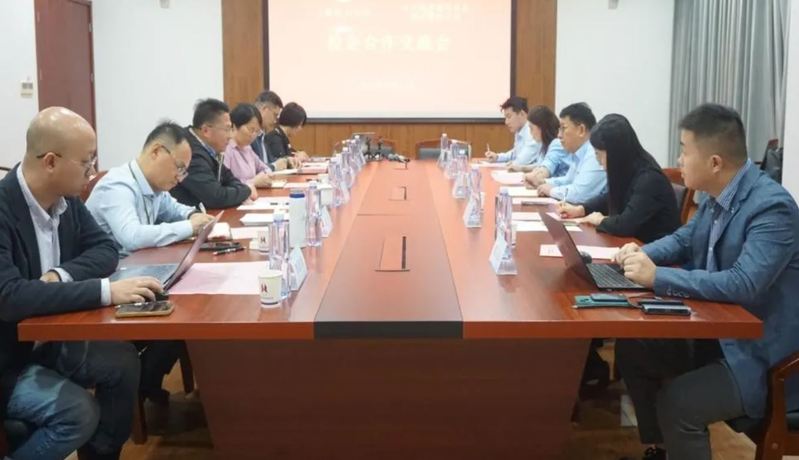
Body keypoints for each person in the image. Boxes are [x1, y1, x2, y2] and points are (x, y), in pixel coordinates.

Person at [614, 103, 799, 460]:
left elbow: (744, 283)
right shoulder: (718, 197)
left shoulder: (771, 208)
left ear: (714, 162)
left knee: (679, 404)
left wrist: (658, 277)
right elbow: (684, 239)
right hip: (716, 334)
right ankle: (661, 450)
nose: (678, 160)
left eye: (684, 151)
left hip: (763, 357)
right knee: (634, 348)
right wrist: (638, 253)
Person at [0, 107, 163, 460]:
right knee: (78, 412)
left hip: (50, 337)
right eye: (86, 162)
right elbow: (9, 297)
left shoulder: (66, 201)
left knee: (123, 361)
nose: (92, 172)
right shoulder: (4, 208)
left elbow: (106, 249)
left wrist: (60, 275)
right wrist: (105, 292)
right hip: (8, 355)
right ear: (50, 162)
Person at [86, 121, 215, 256]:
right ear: (156, 151)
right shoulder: (117, 186)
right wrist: (190, 226)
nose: (180, 178)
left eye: (183, 172)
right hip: (111, 267)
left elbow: (173, 208)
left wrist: (192, 215)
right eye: (179, 167)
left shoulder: (154, 186)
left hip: (137, 263)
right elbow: (132, 237)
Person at [557, 114, 681, 244]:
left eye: (599, 154)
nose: (598, 161)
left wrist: (600, 220)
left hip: (650, 249)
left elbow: (625, 225)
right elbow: (610, 196)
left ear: (616, 153)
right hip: (632, 245)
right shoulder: (629, 166)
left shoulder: (649, 179)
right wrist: (581, 209)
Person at [170, 98, 257, 208]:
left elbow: (229, 178)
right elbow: (215, 197)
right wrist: (247, 190)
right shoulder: (189, 152)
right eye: (227, 129)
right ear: (206, 130)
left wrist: (242, 189)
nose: (230, 136)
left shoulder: (210, 149)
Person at [534, 102, 607, 204]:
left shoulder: (594, 153)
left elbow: (579, 194)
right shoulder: (579, 152)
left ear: (581, 130)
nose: (559, 135)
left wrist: (551, 190)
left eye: (563, 128)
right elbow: (569, 180)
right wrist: (543, 182)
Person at [224, 104, 294, 186]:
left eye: (257, 131)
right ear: (235, 126)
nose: (253, 135)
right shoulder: (226, 149)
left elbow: (265, 169)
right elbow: (225, 186)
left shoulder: (247, 148)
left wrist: (262, 177)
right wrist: (253, 182)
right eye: (251, 129)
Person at [509, 105, 569, 174]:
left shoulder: (557, 144)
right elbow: (540, 165)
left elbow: (544, 169)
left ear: (542, 128)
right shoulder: (544, 145)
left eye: (531, 128)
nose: (530, 133)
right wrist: (522, 168)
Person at [484, 96, 539, 167]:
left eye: (509, 117)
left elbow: (522, 161)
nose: (506, 122)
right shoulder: (520, 130)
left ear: (522, 114)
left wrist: (508, 165)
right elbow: (515, 154)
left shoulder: (532, 131)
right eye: (505, 118)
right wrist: (497, 157)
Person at [251, 90, 297, 168]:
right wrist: (274, 166)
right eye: (275, 115)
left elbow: (270, 160)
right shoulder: (251, 136)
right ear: (265, 109)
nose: (275, 121)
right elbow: (256, 167)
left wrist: (286, 160)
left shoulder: (261, 135)